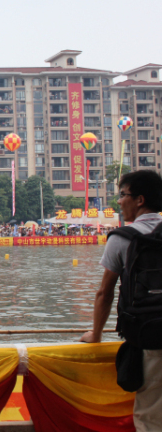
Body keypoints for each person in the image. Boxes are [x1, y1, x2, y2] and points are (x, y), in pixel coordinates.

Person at [80, 170, 162, 431]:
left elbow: (105, 293)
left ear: (140, 200)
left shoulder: (122, 237)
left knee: (150, 418)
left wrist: (96, 334)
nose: (119, 201)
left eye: (123, 195)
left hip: (152, 339)